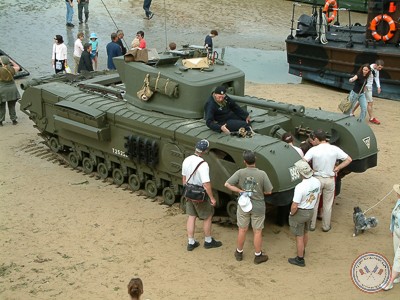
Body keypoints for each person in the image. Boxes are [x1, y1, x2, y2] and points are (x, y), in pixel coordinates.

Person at [225, 150, 273, 264]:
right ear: (255, 160)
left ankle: (239, 252)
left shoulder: (240, 172)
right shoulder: (262, 174)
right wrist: (260, 192)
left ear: (245, 161)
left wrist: (240, 191)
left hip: (244, 204)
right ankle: (258, 255)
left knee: (242, 229)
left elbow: (227, 184)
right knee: (257, 231)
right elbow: (269, 191)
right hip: (258, 206)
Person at [303, 129, 352, 232]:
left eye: (312, 140)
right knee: (328, 205)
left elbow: (303, 162)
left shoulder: (313, 150)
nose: (312, 142)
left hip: (317, 178)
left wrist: (310, 171)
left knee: (314, 203)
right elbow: (349, 159)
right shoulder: (334, 149)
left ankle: (312, 225)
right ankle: (326, 226)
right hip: (330, 179)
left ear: (316, 139)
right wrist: (338, 168)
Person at [182, 139, 222, 251]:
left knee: (191, 216)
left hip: (189, 192)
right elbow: (206, 184)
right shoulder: (203, 164)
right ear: (205, 150)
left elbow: (184, 179)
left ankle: (191, 242)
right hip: (199, 194)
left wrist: (187, 191)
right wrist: (212, 198)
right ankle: (208, 241)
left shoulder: (187, 159)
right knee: (207, 217)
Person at [288, 160, 321, 267]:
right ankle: (303, 251)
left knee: (299, 235)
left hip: (300, 212)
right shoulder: (317, 181)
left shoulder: (300, 187)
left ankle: (300, 258)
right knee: (306, 232)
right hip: (310, 210)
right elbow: (318, 196)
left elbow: (294, 205)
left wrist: (291, 213)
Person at [350, 59, 384, 125]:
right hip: (366, 87)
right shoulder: (369, 69)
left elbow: (376, 78)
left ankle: (351, 112)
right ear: (376, 65)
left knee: (360, 101)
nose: (380, 69)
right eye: (379, 67)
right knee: (370, 102)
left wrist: (378, 86)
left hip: (367, 87)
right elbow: (363, 77)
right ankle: (371, 118)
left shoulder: (376, 70)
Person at [383, 184, 400, 290]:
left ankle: (390, 281)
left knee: (398, 257)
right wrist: (392, 228)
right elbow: (393, 215)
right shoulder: (398, 202)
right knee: (395, 252)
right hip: (397, 231)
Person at [0, 56, 21, 126]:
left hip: (2, 90)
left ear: (2, 62)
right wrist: (11, 61)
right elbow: (18, 67)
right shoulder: (12, 69)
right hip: (12, 89)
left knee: (1, 106)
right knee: (12, 106)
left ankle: (0, 122)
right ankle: (14, 120)